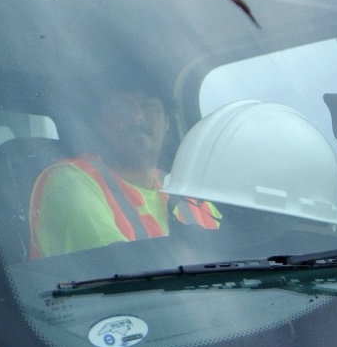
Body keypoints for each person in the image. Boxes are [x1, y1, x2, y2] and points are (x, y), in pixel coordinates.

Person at [28, 90, 221, 258]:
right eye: (122, 107)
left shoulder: (188, 193)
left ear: (166, 122)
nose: (137, 117)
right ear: (100, 123)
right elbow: (119, 269)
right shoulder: (69, 182)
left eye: (148, 106)